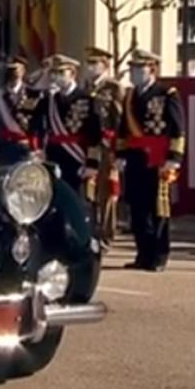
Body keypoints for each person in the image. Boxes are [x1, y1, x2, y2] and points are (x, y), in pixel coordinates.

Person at [116, 49, 185, 272]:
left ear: (152, 69)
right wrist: (119, 155)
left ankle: (159, 255)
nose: (134, 73)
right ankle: (142, 253)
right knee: (137, 208)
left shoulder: (167, 93)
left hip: (158, 158)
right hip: (135, 158)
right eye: (132, 69)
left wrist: (174, 158)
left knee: (158, 209)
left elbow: (177, 128)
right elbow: (123, 130)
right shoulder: (129, 96)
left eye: (139, 68)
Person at [43, 54, 101, 194]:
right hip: (54, 156)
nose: (57, 77)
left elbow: (94, 133)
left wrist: (92, 163)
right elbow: (42, 127)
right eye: (55, 73)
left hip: (76, 156)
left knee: (75, 199)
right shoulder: (50, 99)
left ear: (73, 73)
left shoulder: (87, 98)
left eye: (61, 72)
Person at [86, 46, 124, 247]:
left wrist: (117, 148)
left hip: (107, 146)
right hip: (88, 146)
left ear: (105, 65)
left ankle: (107, 232)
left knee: (107, 191)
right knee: (89, 190)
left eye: (95, 63)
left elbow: (119, 119)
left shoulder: (113, 88)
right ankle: (91, 229)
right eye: (89, 63)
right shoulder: (85, 87)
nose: (90, 67)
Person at [0, 55, 45, 164]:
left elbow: (38, 124)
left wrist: (38, 147)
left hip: (26, 145)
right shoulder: (0, 95)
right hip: (5, 146)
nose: (14, 75)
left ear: (23, 71)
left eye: (16, 71)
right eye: (10, 71)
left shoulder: (33, 94)